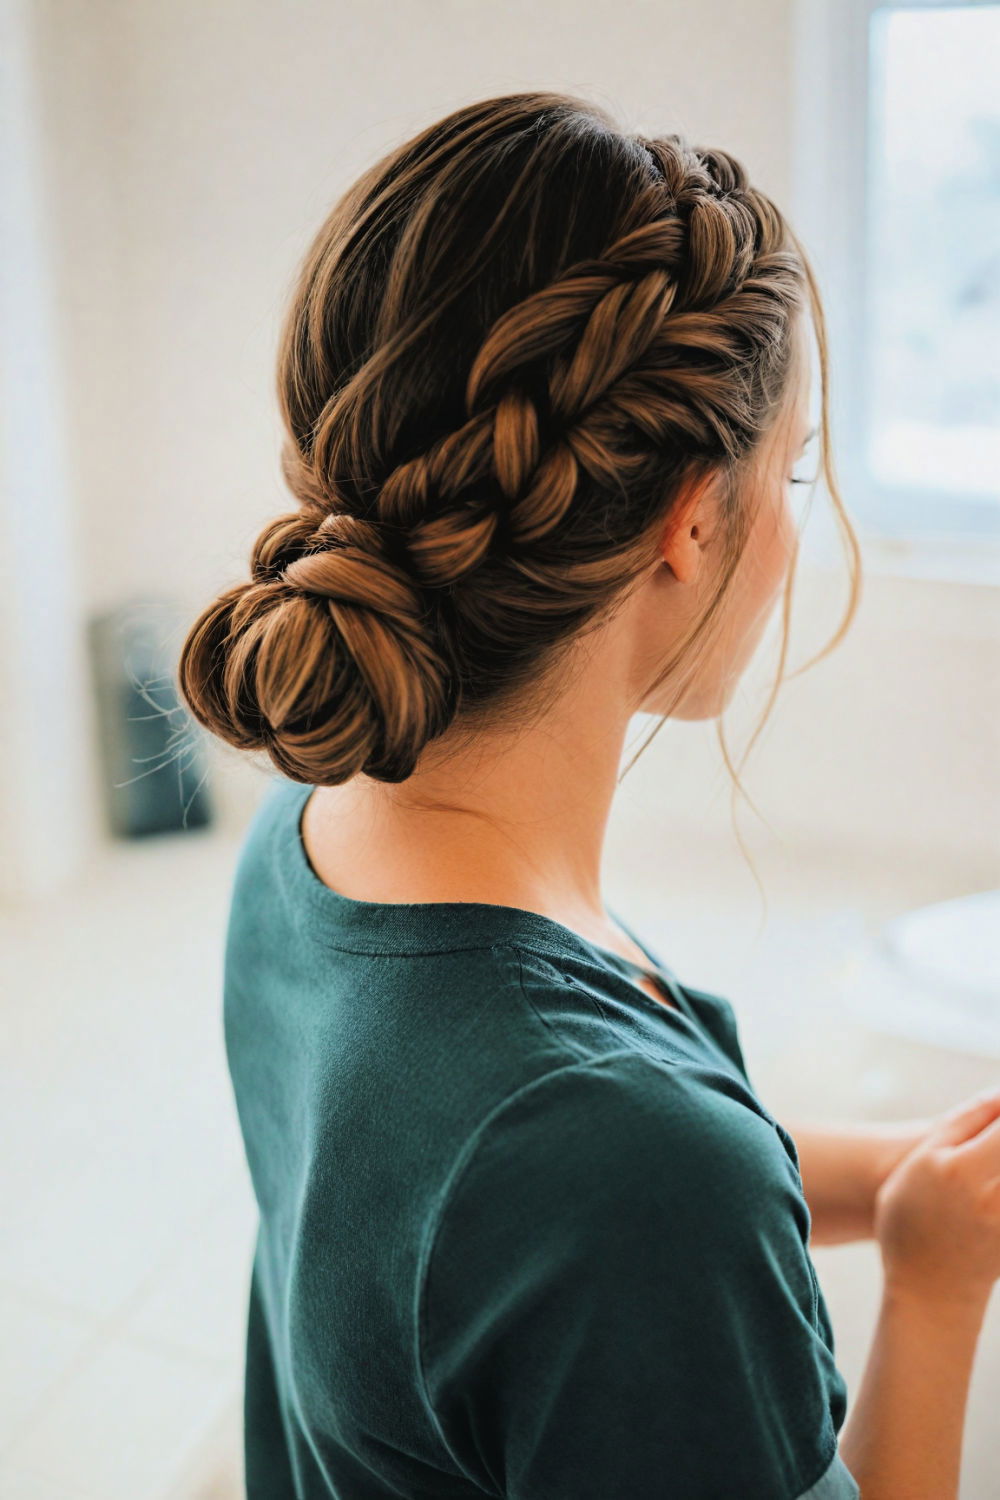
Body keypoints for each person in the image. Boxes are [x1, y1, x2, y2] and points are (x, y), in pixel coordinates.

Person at [177, 91, 1000, 1500]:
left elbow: (563, 1172)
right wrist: (935, 1289)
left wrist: (906, 1178)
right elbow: (614, 1175)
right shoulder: (630, 1170)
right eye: (790, 469)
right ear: (688, 522)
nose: (797, 522)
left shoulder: (306, 844)